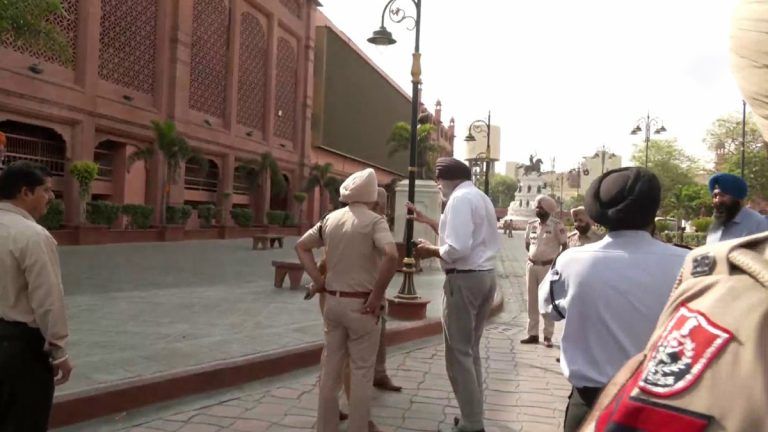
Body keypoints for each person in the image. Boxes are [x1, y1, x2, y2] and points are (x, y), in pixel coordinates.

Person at [576, 8, 768, 429]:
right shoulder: (697, 248)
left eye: (723, 193)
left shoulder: (752, 244)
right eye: (714, 191)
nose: (716, 197)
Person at [538, 167, 688, 432]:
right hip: (664, 407)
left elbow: (549, 310)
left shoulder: (572, 261)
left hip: (592, 406)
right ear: (653, 210)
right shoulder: (689, 263)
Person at [295, 168, 399, 432]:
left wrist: (318, 282)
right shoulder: (375, 222)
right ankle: (359, 427)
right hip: (362, 306)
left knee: (330, 370)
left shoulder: (330, 219)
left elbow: (301, 246)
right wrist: (376, 295)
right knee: (362, 372)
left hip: (333, 304)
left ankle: (326, 427)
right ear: (372, 196)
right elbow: (391, 255)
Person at [413, 157, 500, 432]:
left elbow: (458, 247)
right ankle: (472, 415)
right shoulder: (479, 197)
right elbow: (467, 238)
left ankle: (472, 424)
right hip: (483, 276)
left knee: (458, 354)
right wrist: (429, 222)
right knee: (470, 350)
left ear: (446, 179)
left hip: (464, 280)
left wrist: (431, 250)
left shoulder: (459, 200)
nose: (438, 187)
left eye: (438, 181)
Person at [0, 161, 73, 431]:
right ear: (25, 192)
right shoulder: (32, 236)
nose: (51, 197)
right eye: (46, 190)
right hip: (20, 350)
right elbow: (47, 299)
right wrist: (60, 351)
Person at [521, 195, 567, 348]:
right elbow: (528, 244)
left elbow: (564, 245)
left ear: (548, 210)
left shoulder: (556, 225)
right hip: (532, 266)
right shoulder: (531, 224)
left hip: (548, 267)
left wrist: (555, 262)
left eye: (540, 208)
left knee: (546, 301)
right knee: (532, 301)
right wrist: (535, 256)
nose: (537, 210)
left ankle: (548, 335)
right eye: (537, 207)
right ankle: (532, 334)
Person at [705, 173, 768, 244]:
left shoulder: (758, 224)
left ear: (737, 198)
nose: (717, 200)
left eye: (722, 195)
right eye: (715, 196)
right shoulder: (717, 224)